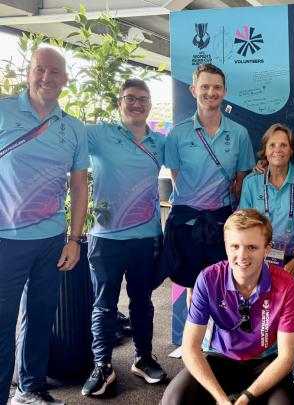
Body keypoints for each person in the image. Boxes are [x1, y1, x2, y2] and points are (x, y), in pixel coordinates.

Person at [0, 47, 89, 405]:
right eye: (41, 69)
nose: (47, 77)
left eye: (55, 72)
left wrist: (74, 239)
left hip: (51, 239)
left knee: (40, 319)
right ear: (29, 72)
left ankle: (29, 389)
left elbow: (79, 186)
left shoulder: (73, 127)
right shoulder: (3, 111)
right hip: (6, 240)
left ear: (65, 79)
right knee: (2, 325)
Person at [161, 209, 294, 405]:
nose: (242, 256)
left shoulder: (287, 285)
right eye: (235, 246)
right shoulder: (208, 278)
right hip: (220, 358)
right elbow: (190, 348)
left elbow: (287, 358)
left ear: (267, 249)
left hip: (264, 362)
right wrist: (222, 400)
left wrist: (247, 398)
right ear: (226, 247)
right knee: (173, 400)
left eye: (252, 247)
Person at [81, 79, 167, 397]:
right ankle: (102, 366)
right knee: (104, 305)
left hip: (146, 236)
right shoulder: (99, 134)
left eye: (143, 99)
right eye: (130, 98)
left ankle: (143, 359)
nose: (136, 104)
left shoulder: (160, 142)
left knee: (142, 302)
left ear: (150, 105)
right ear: (119, 103)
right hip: (105, 237)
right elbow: (62, 141)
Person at [239, 124, 294, 404]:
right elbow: (243, 224)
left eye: (283, 145)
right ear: (264, 150)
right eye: (272, 145)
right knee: (257, 317)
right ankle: (259, 376)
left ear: (292, 150)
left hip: (293, 261)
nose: (277, 150)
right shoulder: (252, 183)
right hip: (257, 263)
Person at [163, 63, 255, 304]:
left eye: (216, 87)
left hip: (223, 224)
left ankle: (220, 331)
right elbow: (176, 178)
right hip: (187, 225)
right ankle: (196, 330)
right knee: (193, 290)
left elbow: (241, 182)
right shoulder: (177, 134)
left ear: (225, 91)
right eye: (204, 87)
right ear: (193, 90)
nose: (210, 92)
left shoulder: (239, 134)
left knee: (224, 289)